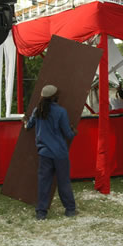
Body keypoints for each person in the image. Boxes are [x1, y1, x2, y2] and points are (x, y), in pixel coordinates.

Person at [25, 85, 77, 220]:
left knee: (44, 183)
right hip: (60, 153)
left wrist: (24, 122)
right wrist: (73, 131)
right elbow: (68, 134)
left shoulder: (38, 110)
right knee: (63, 182)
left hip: (44, 153)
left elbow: (28, 126)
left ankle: (41, 212)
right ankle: (70, 209)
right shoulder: (61, 111)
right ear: (55, 97)